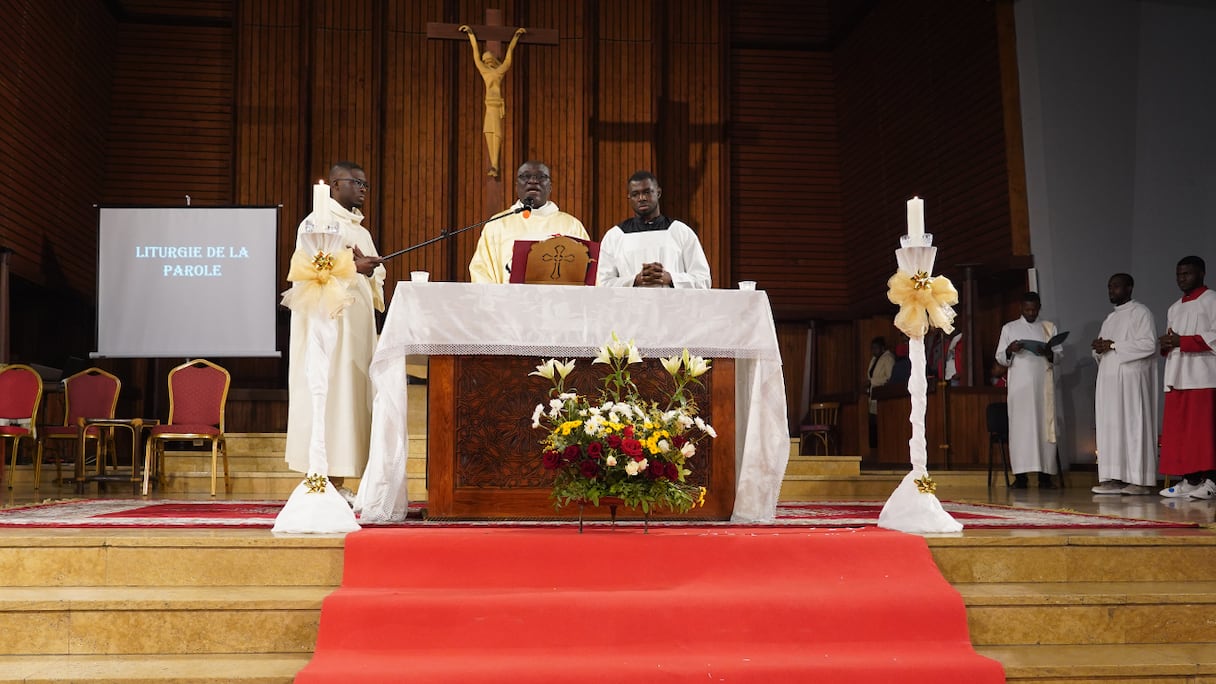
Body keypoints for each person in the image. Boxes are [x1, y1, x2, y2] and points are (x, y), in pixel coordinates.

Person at [284, 162, 385, 503]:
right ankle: (321, 478)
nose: (363, 190)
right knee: (329, 395)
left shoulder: (360, 229)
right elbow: (310, 269)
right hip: (329, 326)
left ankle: (338, 480)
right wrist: (354, 266)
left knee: (349, 398)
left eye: (366, 185)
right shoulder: (317, 222)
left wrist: (370, 271)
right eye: (357, 183)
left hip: (355, 326)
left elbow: (373, 275)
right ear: (336, 185)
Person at [1090, 273, 1159, 495]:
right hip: (1109, 381)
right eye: (1110, 287)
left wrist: (1115, 344)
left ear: (1129, 288)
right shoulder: (1109, 319)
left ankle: (1139, 481)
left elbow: (1149, 345)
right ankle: (1113, 478)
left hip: (1131, 380)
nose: (1111, 291)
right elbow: (1104, 349)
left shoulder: (1141, 313)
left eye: (1116, 287)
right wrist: (1099, 348)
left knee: (1132, 425)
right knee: (1111, 427)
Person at [469, 160, 589, 283]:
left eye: (541, 177)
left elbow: (588, 272)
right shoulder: (497, 225)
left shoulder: (571, 225)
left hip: (558, 300)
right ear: (516, 186)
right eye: (525, 176)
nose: (533, 181)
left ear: (550, 187)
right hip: (508, 300)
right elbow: (482, 272)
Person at [1157, 256, 1216, 500]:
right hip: (1178, 374)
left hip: (1204, 375)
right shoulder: (1174, 307)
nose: (1182, 279)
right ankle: (1190, 480)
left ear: (1201, 273)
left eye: (1187, 274)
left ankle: (1211, 482)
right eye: (1179, 274)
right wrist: (1168, 343)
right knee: (1183, 433)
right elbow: (1174, 338)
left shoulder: (1211, 300)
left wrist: (1183, 341)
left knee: (1204, 433)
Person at [595, 171, 712, 289]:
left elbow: (703, 280)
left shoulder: (681, 232)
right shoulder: (614, 236)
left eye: (647, 192)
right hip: (630, 306)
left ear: (658, 193)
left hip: (673, 306)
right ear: (629, 197)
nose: (642, 198)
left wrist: (670, 278)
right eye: (635, 194)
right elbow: (603, 283)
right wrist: (635, 280)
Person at [995, 292, 1064, 489]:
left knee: (1044, 428)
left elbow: (1059, 356)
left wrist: (1048, 352)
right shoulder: (1009, 328)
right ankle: (1022, 477)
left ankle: (1045, 477)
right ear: (1021, 308)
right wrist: (1010, 350)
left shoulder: (1048, 327)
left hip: (1044, 388)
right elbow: (1000, 357)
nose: (1031, 312)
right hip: (1020, 389)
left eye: (1034, 309)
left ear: (1039, 307)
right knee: (1021, 430)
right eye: (1027, 309)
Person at [459, 25, 526, 178]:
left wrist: (515, 38)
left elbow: (508, 57)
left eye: (488, 60)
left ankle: (495, 164)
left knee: (496, 133)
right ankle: (494, 164)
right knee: (489, 132)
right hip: (489, 105)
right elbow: (476, 56)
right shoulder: (488, 72)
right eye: (486, 60)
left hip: (495, 105)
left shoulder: (497, 72)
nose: (487, 62)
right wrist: (471, 36)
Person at [865, 336, 896, 449]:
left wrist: (872, 381)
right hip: (873, 394)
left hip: (882, 395)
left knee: (879, 423)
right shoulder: (874, 359)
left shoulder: (888, 358)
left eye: (876, 348)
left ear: (882, 348)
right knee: (872, 422)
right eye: (872, 348)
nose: (874, 350)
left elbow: (890, 377)